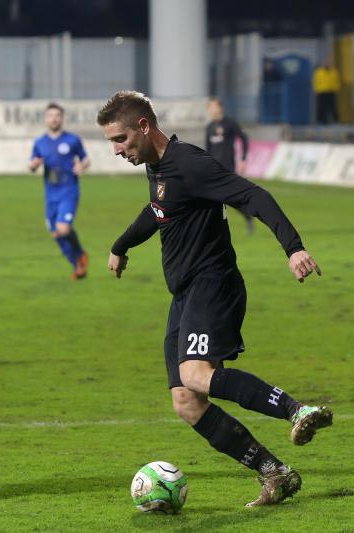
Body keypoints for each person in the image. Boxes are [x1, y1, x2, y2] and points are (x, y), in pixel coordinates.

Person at [97, 91, 331, 507]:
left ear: (144, 127)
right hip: (185, 295)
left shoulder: (189, 163)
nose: (116, 150)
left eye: (120, 139)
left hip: (213, 284)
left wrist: (293, 248)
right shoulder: (157, 166)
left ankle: (296, 410)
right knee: (186, 402)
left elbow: (253, 196)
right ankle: (275, 473)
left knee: (195, 375)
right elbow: (158, 210)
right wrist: (121, 245)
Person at [29, 102, 90, 279]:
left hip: (68, 191)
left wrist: (82, 166)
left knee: (62, 228)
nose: (54, 119)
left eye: (57, 115)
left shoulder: (72, 140)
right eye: (50, 115)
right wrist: (34, 165)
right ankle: (77, 265)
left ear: (62, 118)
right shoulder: (40, 142)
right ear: (46, 118)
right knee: (56, 233)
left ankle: (80, 254)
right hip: (51, 194)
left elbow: (85, 159)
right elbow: (31, 165)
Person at [206, 97, 254, 235]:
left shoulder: (230, 124)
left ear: (220, 108)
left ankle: (247, 215)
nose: (211, 110)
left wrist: (243, 159)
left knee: (227, 198)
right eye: (209, 107)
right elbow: (208, 149)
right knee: (213, 198)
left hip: (227, 168)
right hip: (213, 169)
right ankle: (213, 227)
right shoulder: (209, 127)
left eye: (213, 106)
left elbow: (244, 138)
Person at [312, 59, 340, 124]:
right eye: (326, 63)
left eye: (328, 63)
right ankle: (321, 120)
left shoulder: (334, 71)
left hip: (331, 91)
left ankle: (335, 120)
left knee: (332, 107)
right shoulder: (319, 72)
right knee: (322, 106)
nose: (327, 64)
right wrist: (316, 89)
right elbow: (315, 81)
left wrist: (336, 88)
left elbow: (336, 81)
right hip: (321, 91)